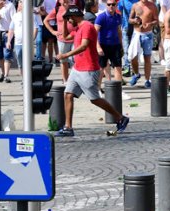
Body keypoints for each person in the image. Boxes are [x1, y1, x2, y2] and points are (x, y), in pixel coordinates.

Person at [55, 6, 130, 136]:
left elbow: (84, 46)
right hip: (77, 69)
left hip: (88, 69)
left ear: (74, 16)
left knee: (94, 99)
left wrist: (65, 55)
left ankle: (120, 117)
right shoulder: (78, 29)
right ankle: (68, 127)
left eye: (69, 18)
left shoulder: (87, 27)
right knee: (67, 94)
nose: (69, 21)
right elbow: (66, 36)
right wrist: (65, 22)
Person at [127, 0, 157, 86]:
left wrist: (150, 24)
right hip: (137, 33)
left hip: (148, 35)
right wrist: (135, 21)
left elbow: (156, 20)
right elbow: (130, 19)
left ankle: (147, 80)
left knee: (147, 57)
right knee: (132, 56)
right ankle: (136, 74)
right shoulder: (135, 5)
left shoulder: (152, 6)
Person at [94, 0, 124, 83]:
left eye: (113, 4)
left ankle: (118, 90)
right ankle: (98, 89)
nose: (111, 6)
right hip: (103, 45)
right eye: (109, 4)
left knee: (118, 67)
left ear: (116, 5)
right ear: (106, 5)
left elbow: (119, 31)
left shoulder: (118, 16)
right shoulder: (101, 17)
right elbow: (94, 33)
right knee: (101, 67)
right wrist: (98, 46)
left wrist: (121, 45)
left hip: (115, 45)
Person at [44, 0, 74, 81]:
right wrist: (53, 31)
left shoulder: (74, 8)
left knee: (76, 60)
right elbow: (46, 21)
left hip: (74, 38)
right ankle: (65, 80)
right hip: (62, 39)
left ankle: (74, 79)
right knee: (63, 61)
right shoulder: (57, 9)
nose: (64, 1)